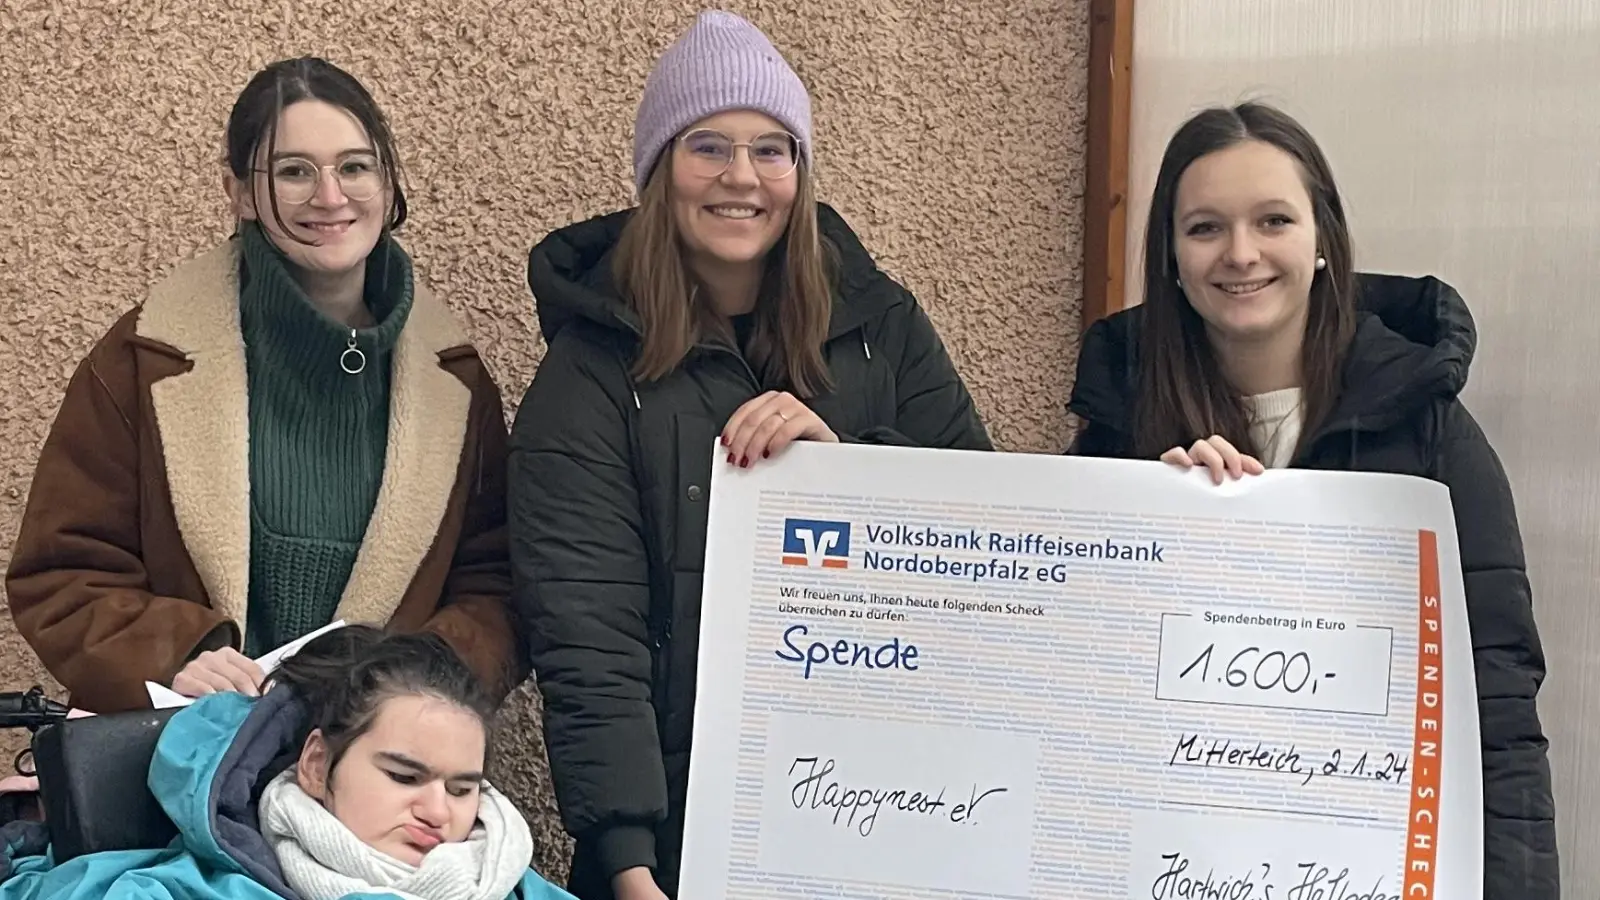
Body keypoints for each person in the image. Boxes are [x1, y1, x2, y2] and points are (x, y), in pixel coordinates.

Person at [507, 11, 991, 899]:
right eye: (708, 147)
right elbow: (587, 634)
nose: (742, 177)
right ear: (660, 171)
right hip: (686, 836)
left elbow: (981, 532)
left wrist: (840, 468)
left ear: (801, 173)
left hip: (891, 806)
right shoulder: (590, 373)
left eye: (772, 149)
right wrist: (627, 860)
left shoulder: (882, 326)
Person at [1067, 101, 1558, 899]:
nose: (1241, 254)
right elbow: (1068, 669)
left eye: (1273, 220)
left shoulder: (1429, 434)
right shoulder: (1121, 428)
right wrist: (1151, 526)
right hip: (1165, 863)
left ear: (1322, 239)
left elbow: (1497, 706)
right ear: (1169, 255)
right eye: (1204, 229)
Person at [5, 57, 524, 713]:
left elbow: (496, 587)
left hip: (372, 775)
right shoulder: (144, 358)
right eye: (293, 171)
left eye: (355, 167)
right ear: (241, 192)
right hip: (175, 761)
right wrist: (176, 655)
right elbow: (62, 573)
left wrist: (413, 681)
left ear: (389, 185)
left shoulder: (456, 382)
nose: (331, 197)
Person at [0, 624, 575, 900]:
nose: (436, 812)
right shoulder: (184, 892)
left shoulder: (515, 884)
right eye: (404, 776)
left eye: (462, 789)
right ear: (318, 765)